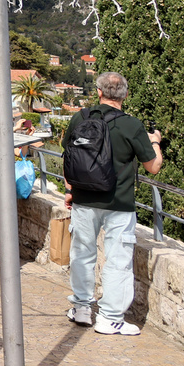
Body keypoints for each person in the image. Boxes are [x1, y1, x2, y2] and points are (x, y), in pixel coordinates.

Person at [64, 71, 162, 335]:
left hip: (84, 200)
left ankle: (82, 308)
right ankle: (110, 318)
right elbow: (153, 166)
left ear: (98, 92)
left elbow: (68, 157)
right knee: (118, 260)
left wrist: (71, 189)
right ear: (125, 95)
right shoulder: (132, 125)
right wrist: (155, 141)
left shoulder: (80, 118)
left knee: (82, 255)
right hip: (119, 203)